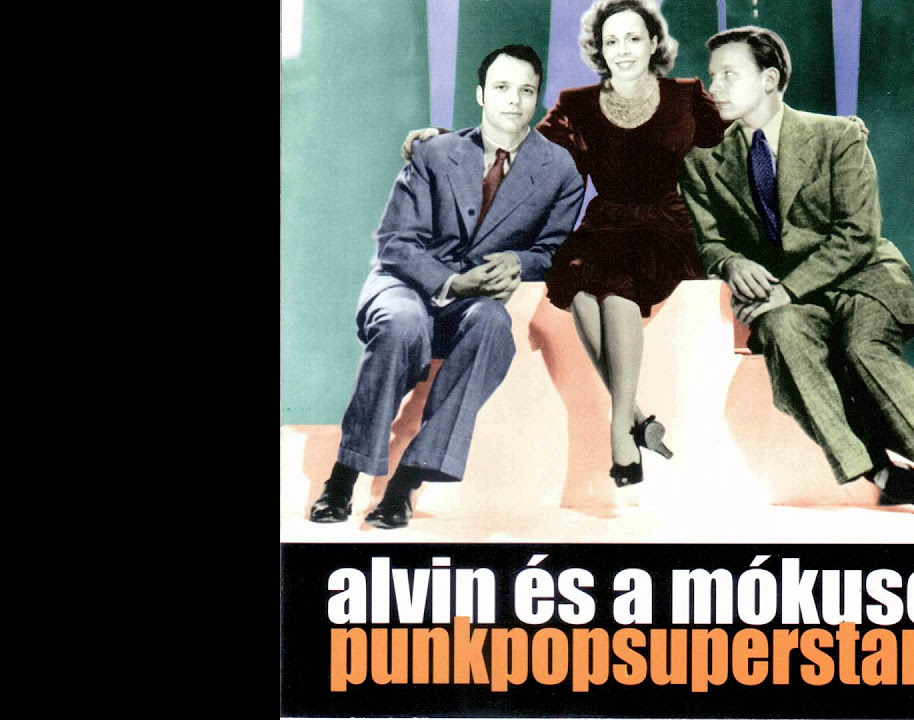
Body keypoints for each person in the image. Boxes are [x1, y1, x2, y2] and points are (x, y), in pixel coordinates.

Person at [679, 27, 914, 526]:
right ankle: (883, 473)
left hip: (864, 277)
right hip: (794, 301)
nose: (714, 87)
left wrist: (786, 289)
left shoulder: (838, 136)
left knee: (861, 350)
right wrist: (730, 262)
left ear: (769, 80)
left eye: (728, 74)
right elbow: (710, 241)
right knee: (780, 332)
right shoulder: (704, 162)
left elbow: (857, 234)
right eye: (712, 75)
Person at [402, 0, 730, 488]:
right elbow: (524, 148)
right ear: (599, 49)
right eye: (611, 41)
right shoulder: (578, 105)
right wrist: (446, 139)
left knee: (617, 291)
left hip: (667, 225)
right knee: (576, 282)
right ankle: (636, 417)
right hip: (605, 224)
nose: (622, 50)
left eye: (633, 38)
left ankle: (620, 432)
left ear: (654, 44)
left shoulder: (685, 96)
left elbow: (740, 143)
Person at [308, 45, 585, 529]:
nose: (514, 100)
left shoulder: (560, 169)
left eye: (526, 90)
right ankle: (343, 476)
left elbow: (553, 250)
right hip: (406, 284)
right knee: (401, 323)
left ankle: (406, 482)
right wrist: (451, 280)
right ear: (480, 94)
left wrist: (518, 262)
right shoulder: (434, 152)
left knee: (492, 325)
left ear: (538, 97)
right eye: (502, 87)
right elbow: (397, 243)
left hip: (474, 301)